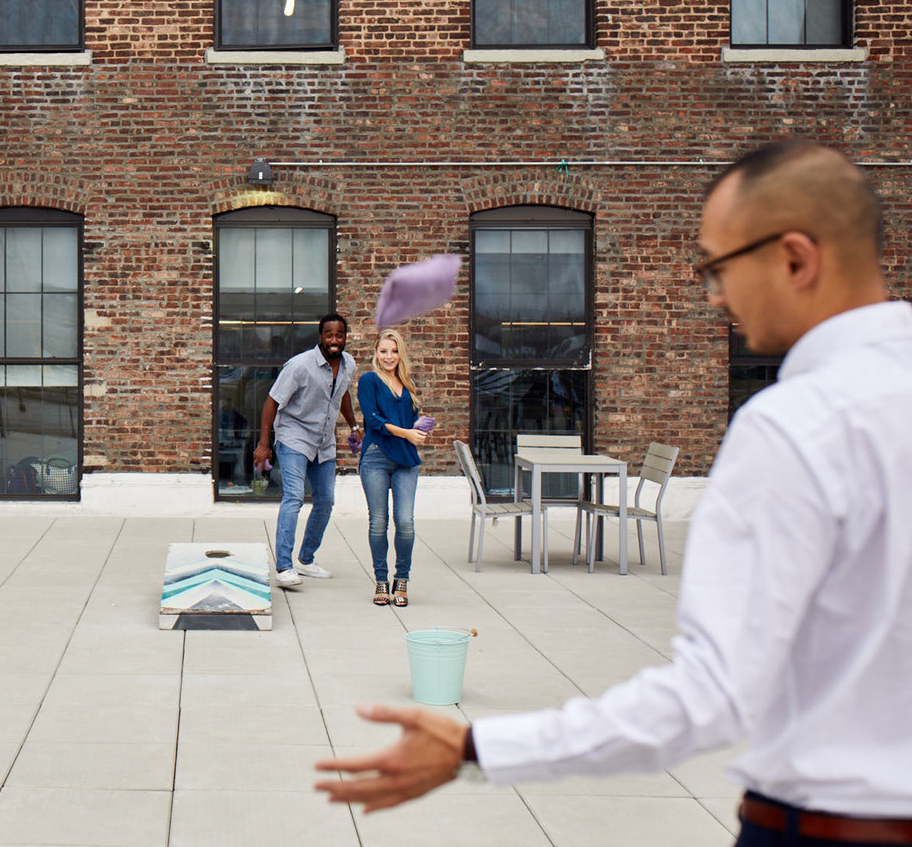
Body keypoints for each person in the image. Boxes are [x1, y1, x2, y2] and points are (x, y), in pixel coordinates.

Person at [314, 140, 912, 844]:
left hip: (828, 825)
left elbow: (706, 697)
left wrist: (478, 749)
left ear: (794, 258)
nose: (715, 295)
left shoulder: (793, 426)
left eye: (717, 267)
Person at [253, 313, 359, 589]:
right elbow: (271, 402)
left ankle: (306, 559)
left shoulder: (349, 364)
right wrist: (264, 444)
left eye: (339, 335)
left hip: (324, 440)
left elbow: (343, 394)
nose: (334, 340)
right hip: (294, 437)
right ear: (320, 337)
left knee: (325, 501)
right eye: (329, 335)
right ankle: (284, 567)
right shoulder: (299, 366)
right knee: (294, 497)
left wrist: (354, 425)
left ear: (345, 336)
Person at [356, 329, 430, 607]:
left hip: (406, 459)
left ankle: (402, 579)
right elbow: (373, 420)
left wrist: (418, 429)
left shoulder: (406, 382)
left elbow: (408, 421)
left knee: (406, 522)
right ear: (376, 353)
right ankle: (380, 580)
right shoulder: (369, 380)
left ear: (401, 354)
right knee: (378, 522)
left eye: (394, 351)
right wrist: (406, 433)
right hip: (375, 457)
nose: (389, 356)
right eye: (384, 351)